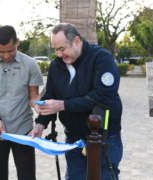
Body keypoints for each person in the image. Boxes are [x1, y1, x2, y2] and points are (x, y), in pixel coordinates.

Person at [29, 23, 123, 180]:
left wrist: (63, 105)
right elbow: (50, 96)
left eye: (62, 48)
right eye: (56, 49)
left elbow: (103, 96)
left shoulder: (101, 58)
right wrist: (40, 123)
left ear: (77, 41)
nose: (59, 54)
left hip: (103, 138)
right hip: (73, 140)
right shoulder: (56, 65)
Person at [0, 25, 44, 180]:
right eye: (1, 51)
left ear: (17, 42)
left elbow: (33, 96)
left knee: (27, 176)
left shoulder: (31, 64)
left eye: (10, 51)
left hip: (23, 130)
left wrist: (38, 107)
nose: (6, 55)